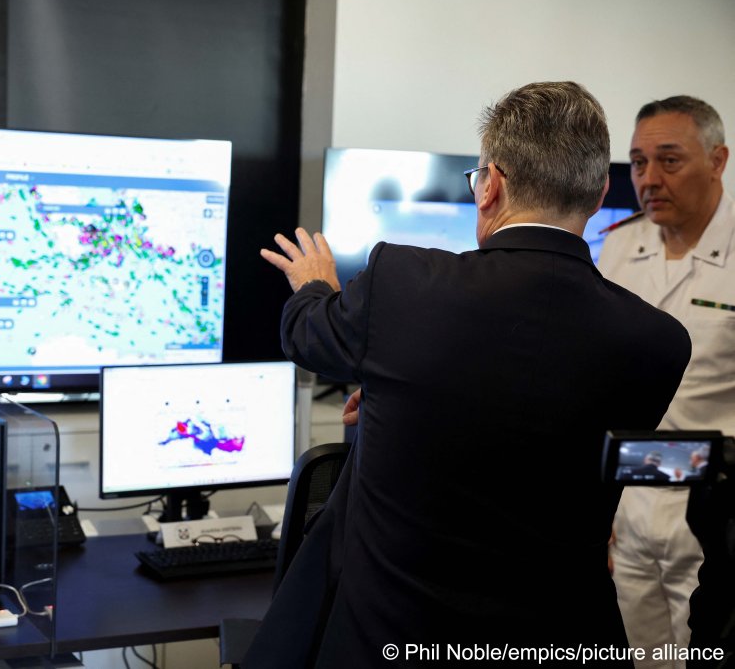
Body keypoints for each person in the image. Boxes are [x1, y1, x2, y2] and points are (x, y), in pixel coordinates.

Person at [245, 81, 691, 668]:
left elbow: (307, 336)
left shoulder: (401, 283)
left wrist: (316, 286)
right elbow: (538, 432)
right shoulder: (659, 344)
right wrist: (395, 399)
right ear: (600, 190)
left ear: (491, 186)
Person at [599, 95, 733, 669]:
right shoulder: (620, 245)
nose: (648, 179)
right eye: (637, 162)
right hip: (629, 507)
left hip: (715, 511)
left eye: (669, 161)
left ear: (717, 160)